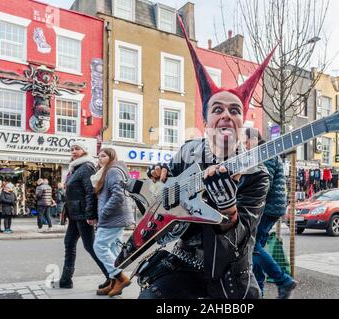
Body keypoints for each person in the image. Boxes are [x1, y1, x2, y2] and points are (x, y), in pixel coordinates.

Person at [129, 16, 273, 299]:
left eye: (234, 111)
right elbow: (163, 191)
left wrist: (228, 211)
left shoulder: (256, 174)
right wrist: (159, 178)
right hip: (183, 264)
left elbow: (239, 237)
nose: (226, 115)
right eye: (217, 109)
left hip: (228, 274)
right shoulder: (187, 150)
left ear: (242, 122)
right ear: (205, 120)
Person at [245, 128, 296, 299]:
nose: (245, 146)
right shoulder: (264, 152)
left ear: (253, 139)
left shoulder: (264, 153)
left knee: (251, 246)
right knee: (258, 246)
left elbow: (264, 183)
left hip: (267, 207)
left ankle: (283, 281)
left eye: (246, 142)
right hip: (272, 206)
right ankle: (259, 290)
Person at [56, 140, 109, 290]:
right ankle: (66, 280)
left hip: (83, 214)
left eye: (77, 148)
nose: (73, 151)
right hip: (74, 214)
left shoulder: (86, 167)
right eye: (72, 149)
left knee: (90, 246)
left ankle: (113, 276)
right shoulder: (75, 168)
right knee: (69, 243)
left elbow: (90, 192)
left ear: (84, 151)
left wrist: (91, 215)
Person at [91, 148, 134, 297]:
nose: (100, 158)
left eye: (103, 156)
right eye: (99, 156)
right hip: (116, 217)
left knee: (99, 246)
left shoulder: (113, 171)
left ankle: (120, 278)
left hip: (112, 218)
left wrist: (104, 212)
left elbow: (118, 195)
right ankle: (113, 283)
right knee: (114, 250)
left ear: (111, 157)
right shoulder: (109, 171)